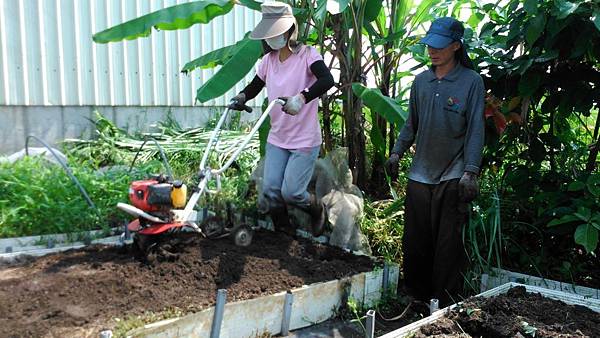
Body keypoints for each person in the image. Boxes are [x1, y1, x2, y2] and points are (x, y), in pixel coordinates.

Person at [385, 17, 485, 306]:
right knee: (415, 240)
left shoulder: (471, 82)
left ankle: (444, 301)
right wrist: (397, 152)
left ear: (455, 46)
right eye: (429, 45)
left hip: (453, 173)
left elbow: (476, 129)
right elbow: (411, 124)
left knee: (447, 243)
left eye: (439, 46)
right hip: (420, 172)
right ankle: (415, 296)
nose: (432, 51)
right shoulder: (421, 82)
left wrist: (471, 171)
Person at [229, 2, 335, 237]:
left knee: (293, 192)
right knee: (271, 191)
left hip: (304, 139)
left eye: (276, 32)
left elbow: (327, 80)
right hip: (278, 137)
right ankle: (283, 233)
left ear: (289, 31)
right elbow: (255, 85)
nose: (271, 38)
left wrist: (302, 97)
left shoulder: (307, 55)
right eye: (268, 34)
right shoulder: (268, 61)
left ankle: (317, 208)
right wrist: (242, 96)